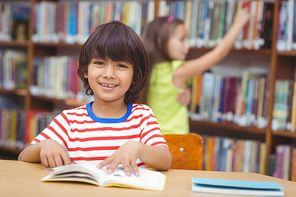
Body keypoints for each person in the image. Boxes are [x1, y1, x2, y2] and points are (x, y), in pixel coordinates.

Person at [18, 21, 172, 177]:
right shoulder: (69, 120)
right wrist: (44, 145)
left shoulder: (142, 116)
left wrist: (138, 148)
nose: (109, 74)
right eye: (99, 63)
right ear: (85, 70)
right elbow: (23, 157)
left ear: (135, 76)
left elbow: (165, 160)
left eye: (121, 65)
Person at [141, 2, 251, 134]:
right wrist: (238, 23)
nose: (187, 46)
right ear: (161, 42)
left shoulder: (145, 70)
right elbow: (219, 53)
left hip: (151, 140)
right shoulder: (178, 71)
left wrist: (187, 91)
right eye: (181, 40)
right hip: (176, 143)